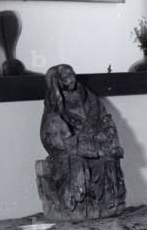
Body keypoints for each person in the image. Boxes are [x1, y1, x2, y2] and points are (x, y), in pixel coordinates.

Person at [37, 64, 126, 219]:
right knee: (77, 164)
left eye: (72, 74)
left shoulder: (89, 97)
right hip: (72, 149)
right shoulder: (54, 107)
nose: (72, 79)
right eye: (66, 78)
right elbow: (55, 137)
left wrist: (109, 136)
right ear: (58, 82)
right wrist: (88, 149)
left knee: (108, 161)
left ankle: (108, 207)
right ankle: (75, 209)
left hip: (97, 142)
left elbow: (105, 119)